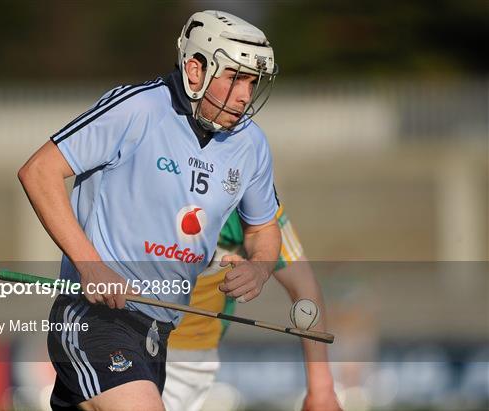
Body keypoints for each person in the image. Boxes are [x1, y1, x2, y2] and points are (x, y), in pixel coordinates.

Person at [18, 10, 283, 411]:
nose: (245, 95)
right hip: (96, 318)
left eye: (252, 82)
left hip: (157, 334)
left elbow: (263, 229)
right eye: (235, 78)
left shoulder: (252, 144)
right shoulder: (138, 108)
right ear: (196, 69)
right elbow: (39, 172)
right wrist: (90, 265)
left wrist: (261, 266)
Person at [163, 207, 343, 411]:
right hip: (129, 338)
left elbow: (304, 288)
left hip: (187, 361)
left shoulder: (254, 199)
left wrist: (321, 390)